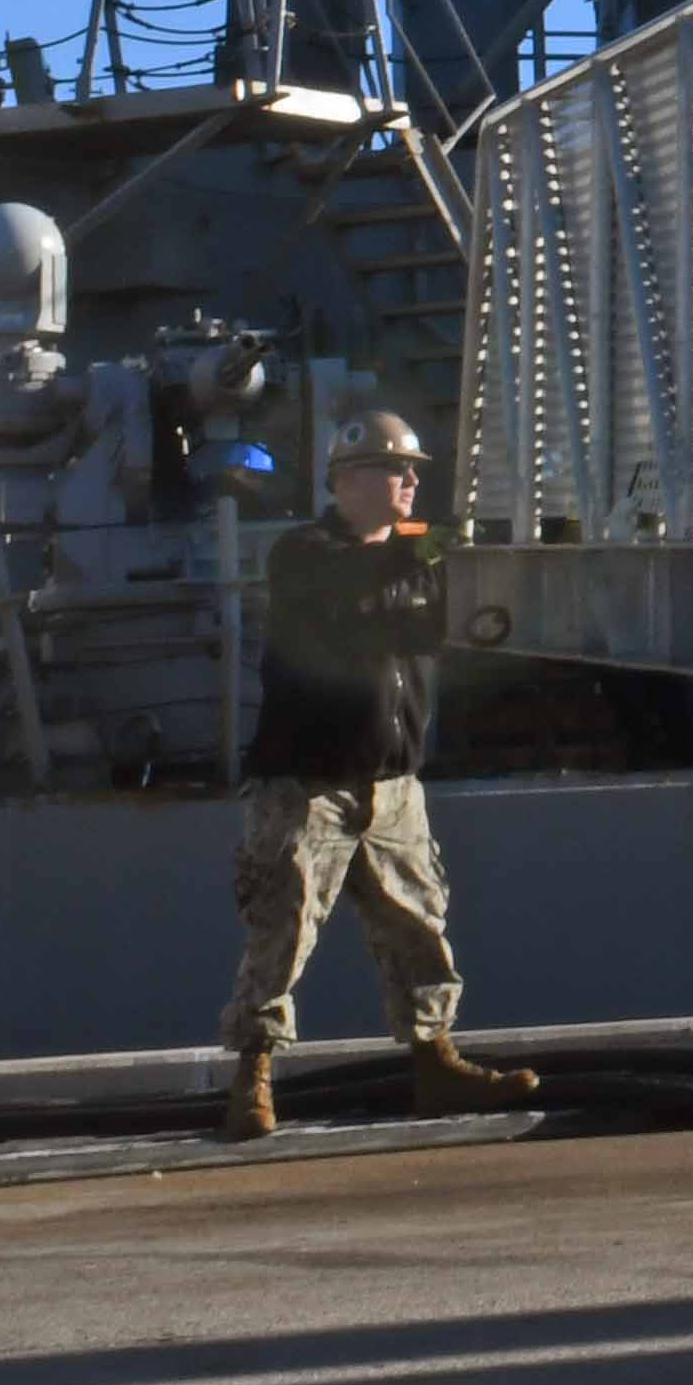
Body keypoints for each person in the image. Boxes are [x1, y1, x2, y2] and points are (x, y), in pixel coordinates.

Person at [227, 409, 544, 1131]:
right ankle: (252, 1077)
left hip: (395, 787)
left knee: (419, 928)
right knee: (282, 933)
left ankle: (436, 1063)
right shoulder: (304, 553)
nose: (408, 481)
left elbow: (429, 583)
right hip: (309, 788)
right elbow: (355, 581)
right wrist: (434, 546)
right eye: (393, 469)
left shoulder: (407, 551)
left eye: (413, 472)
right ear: (345, 481)